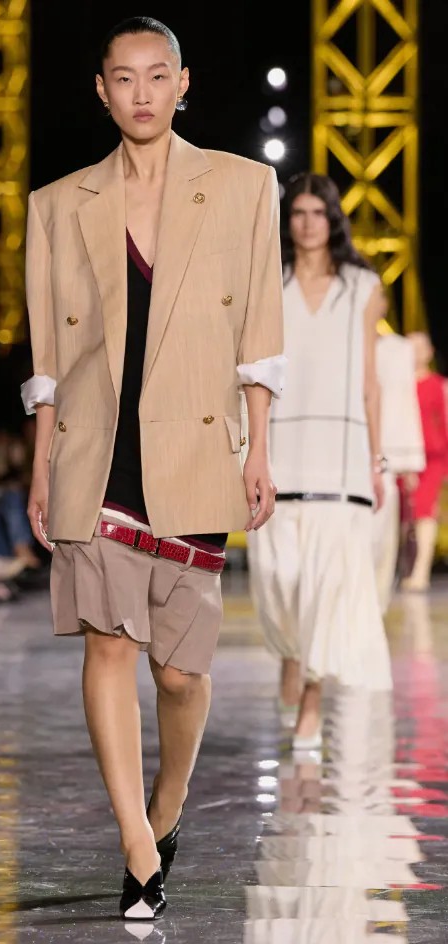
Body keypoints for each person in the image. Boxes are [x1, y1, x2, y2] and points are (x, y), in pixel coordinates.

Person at [21, 16, 284, 921]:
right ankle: (137, 843)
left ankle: (168, 804)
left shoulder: (244, 186)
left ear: (183, 83)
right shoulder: (58, 204)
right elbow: (49, 357)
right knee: (108, 643)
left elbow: (259, 330)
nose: (142, 92)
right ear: (102, 91)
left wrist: (260, 447)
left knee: (177, 672)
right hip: (96, 448)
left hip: (195, 442)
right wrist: (41, 462)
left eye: (157, 75)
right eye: (124, 78)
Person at [247, 172, 393, 752]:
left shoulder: (363, 285)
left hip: (341, 456)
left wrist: (376, 459)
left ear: (333, 219)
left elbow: (370, 380)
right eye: (299, 213)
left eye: (317, 213)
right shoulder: (268, 281)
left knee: (329, 587)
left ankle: (312, 692)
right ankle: (292, 651)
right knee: (280, 578)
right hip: (281, 451)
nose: (308, 223)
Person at [372, 323, 425, 612]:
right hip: (343, 453)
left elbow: (405, 402)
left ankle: (375, 606)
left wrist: (410, 461)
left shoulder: (397, 350)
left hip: (387, 456)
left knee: (381, 536)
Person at [399, 331, 448, 592]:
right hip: (402, 457)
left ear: (430, 352)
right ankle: (404, 568)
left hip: (432, 458)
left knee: (425, 511)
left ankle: (420, 572)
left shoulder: (439, 385)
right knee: (403, 515)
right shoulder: (399, 386)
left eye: (420, 347)